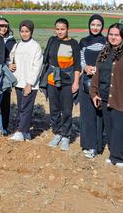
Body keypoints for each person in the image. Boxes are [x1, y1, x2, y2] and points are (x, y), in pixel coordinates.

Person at [90, 23, 123, 167]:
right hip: (105, 97)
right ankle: (114, 155)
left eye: (116, 35)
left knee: (121, 128)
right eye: (111, 34)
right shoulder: (104, 52)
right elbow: (97, 74)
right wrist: (94, 92)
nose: (113, 37)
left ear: (122, 36)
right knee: (111, 128)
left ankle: (121, 158)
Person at [44, 18, 81, 151]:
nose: (59, 32)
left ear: (67, 29)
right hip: (52, 79)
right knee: (54, 109)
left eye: (62, 29)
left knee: (66, 110)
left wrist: (76, 82)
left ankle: (66, 135)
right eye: (57, 29)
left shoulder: (73, 43)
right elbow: (46, 59)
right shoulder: (52, 40)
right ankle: (57, 133)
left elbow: (77, 65)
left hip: (67, 80)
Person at [8, 20, 43, 141]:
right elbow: (10, 59)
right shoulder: (17, 45)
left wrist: (30, 83)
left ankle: (20, 131)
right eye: (22, 31)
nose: (24, 34)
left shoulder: (36, 46)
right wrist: (9, 65)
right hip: (18, 82)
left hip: (29, 84)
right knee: (21, 107)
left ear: (31, 32)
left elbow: (37, 67)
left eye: (27, 31)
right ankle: (26, 132)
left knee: (26, 108)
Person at [78, 14, 107, 158]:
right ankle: (87, 144)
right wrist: (85, 68)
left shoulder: (106, 42)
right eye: (93, 25)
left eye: (98, 25)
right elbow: (80, 59)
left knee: (98, 113)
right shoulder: (83, 41)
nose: (95, 28)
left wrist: (97, 69)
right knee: (86, 114)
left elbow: (108, 61)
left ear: (102, 26)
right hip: (85, 82)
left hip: (101, 81)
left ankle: (97, 145)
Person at [0, 18, 16, 135]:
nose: (3, 28)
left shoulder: (11, 41)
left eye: (5, 26)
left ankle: (4, 126)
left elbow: (13, 58)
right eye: (0, 25)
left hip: (5, 75)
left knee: (4, 101)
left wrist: (9, 65)